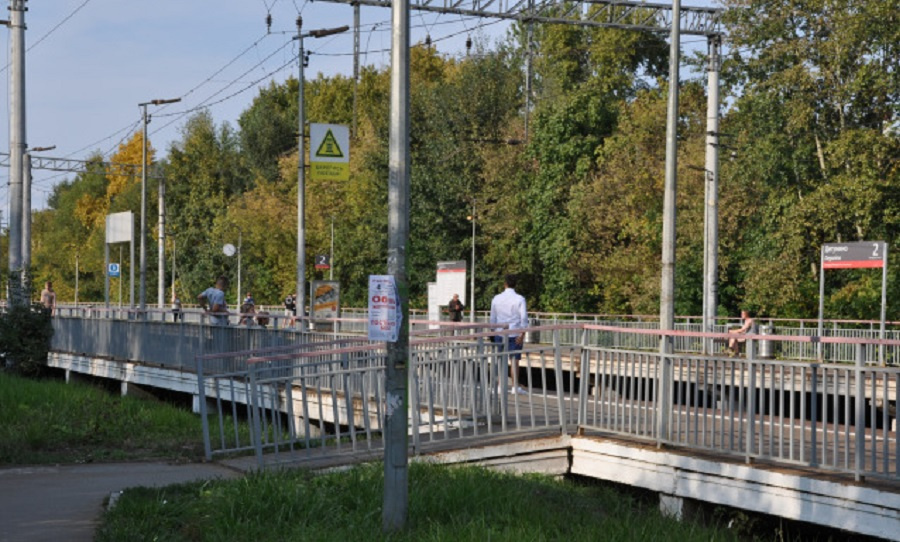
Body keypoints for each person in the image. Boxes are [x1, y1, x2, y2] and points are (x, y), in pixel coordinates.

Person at [489, 274, 528, 394]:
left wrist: (492, 331)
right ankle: (515, 387)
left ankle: (500, 386)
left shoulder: (496, 298)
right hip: (514, 332)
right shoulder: (520, 299)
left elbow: (493, 317)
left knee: (501, 360)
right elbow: (523, 318)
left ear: (504, 284)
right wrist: (522, 334)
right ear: (515, 285)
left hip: (500, 332)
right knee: (514, 360)